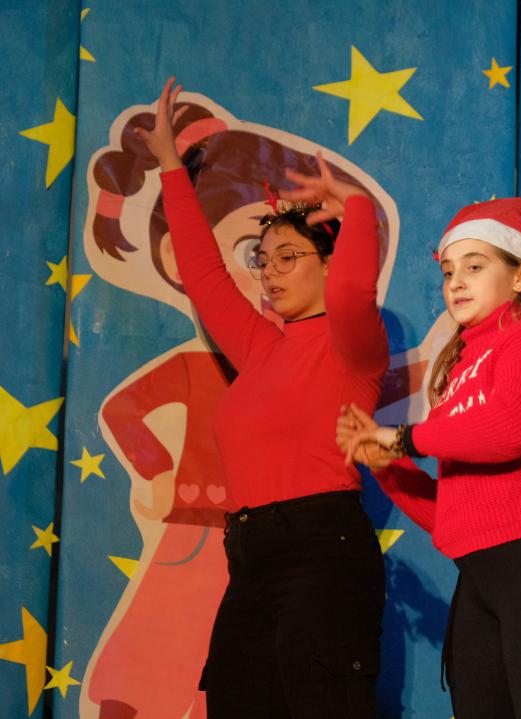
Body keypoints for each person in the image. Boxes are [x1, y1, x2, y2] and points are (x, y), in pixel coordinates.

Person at [134, 77, 388, 718]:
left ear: (328, 263)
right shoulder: (260, 346)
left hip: (321, 550)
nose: (269, 273)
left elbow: (354, 289)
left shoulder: (351, 344)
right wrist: (170, 167)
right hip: (248, 557)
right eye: (263, 258)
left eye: (287, 257)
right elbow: (203, 275)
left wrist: (355, 207)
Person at [336, 198, 521, 719]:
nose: (456, 282)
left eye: (475, 266)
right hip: (480, 577)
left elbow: (512, 430)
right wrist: (387, 467)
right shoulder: (459, 370)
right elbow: (457, 513)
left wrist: (404, 439)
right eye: (448, 271)